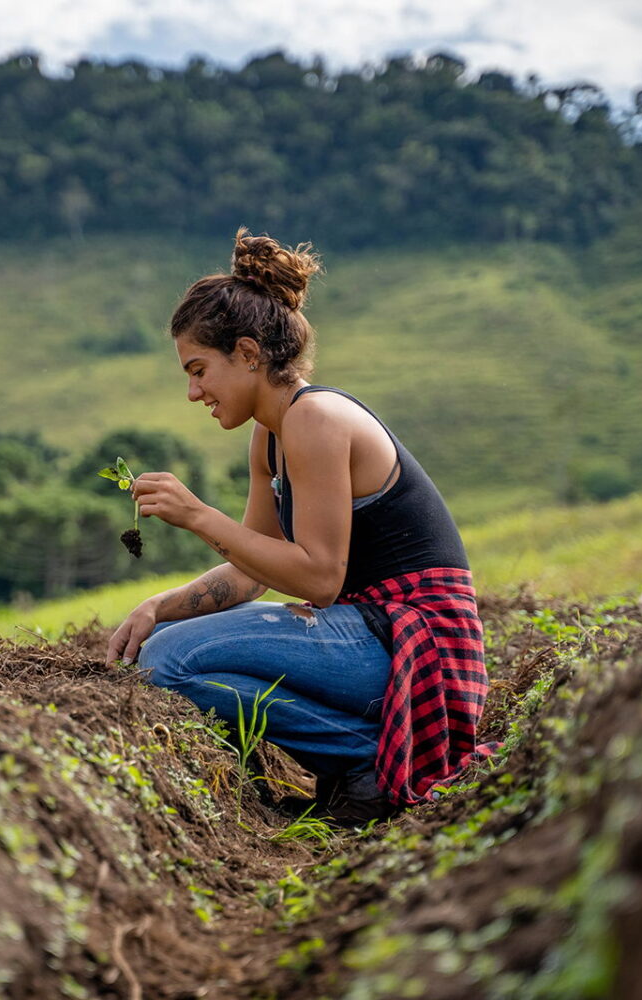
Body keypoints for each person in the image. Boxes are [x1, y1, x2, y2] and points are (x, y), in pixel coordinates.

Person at [104, 229, 490, 822]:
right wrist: (162, 604)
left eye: (200, 369)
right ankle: (367, 750)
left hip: (418, 643)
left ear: (250, 353)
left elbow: (319, 580)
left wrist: (199, 515)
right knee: (165, 645)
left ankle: (375, 757)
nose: (192, 391)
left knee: (167, 664)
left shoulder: (315, 420)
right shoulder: (272, 434)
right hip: (365, 632)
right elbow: (253, 572)